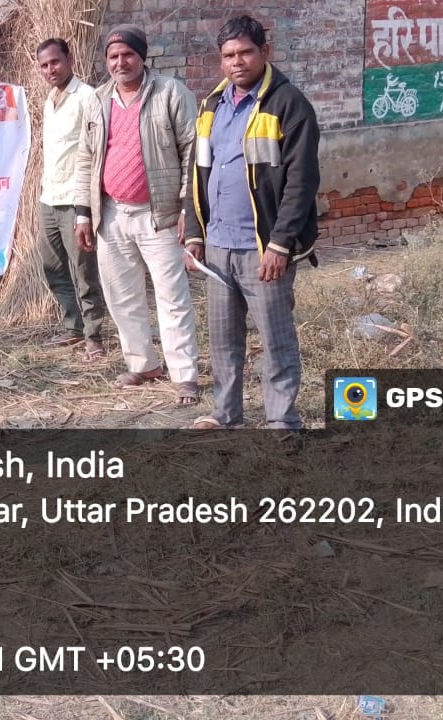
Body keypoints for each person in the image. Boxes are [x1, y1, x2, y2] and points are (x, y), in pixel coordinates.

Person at [182, 15, 320, 431]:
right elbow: (197, 172)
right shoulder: (212, 105)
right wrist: (195, 234)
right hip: (218, 245)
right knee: (223, 340)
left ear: (265, 52)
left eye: (245, 52)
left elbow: (301, 181)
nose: (237, 62)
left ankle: (281, 419)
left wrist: (280, 244)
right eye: (229, 55)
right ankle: (226, 415)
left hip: (262, 249)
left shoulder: (288, 104)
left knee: (275, 339)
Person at [72, 25, 201, 406]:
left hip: (160, 215)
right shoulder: (98, 99)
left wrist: (188, 208)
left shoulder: (170, 93)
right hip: (111, 213)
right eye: (113, 56)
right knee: (121, 295)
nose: (120, 62)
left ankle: (185, 375)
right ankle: (143, 365)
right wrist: (83, 213)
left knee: (171, 297)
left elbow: (192, 152)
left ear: (142, 56)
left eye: (127, 54)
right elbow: (85, 158)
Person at [35, 38, 105, 360]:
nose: (51, 69)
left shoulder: (87, 97)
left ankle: (94, 335)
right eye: (44, 65)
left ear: (69, 59)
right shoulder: (49, 100)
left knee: (83, 271)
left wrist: (84, 209)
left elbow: (94, 154)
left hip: (75, 200)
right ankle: (72, 327)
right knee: (53, 267)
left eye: (55, 62)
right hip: (49, 197)